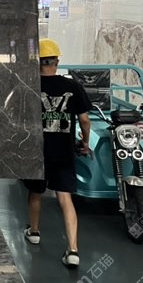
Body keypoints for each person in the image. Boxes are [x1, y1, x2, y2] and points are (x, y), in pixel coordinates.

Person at [23, 38, 92, 269]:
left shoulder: (29, 87)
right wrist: (84, 141)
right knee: (65, 198)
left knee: (35, 192)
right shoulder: (73, 86)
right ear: (57, 62)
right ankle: (73, 250)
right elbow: (84, 119)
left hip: (37, 151)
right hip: (63, 150)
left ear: (37, 62)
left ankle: (34, 232)